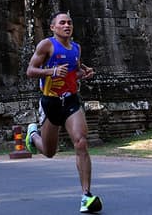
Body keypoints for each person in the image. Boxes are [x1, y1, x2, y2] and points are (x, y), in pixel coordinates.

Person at [26, 11, 102, 213]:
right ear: (53, 27)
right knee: (50, 152)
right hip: (50, 102)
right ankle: (33, 135)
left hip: (70, 100)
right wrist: (50, 71)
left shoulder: (76, 48)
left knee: (81, 142)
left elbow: (73, 72)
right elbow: (30, 71)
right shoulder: (47, 45)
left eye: (69, 23)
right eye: (62, 23)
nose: (67, 25)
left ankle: (86, 195)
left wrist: (83, 73)